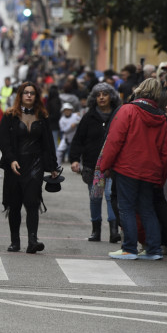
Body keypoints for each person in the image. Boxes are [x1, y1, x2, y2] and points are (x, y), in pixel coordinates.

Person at [95, 78, 167, 260]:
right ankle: (153, 249)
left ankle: (129, 248)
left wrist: (105, 165)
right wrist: (160, 176)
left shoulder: (128, 110)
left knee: (126, 207)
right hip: (151, 169)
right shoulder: (161, 117)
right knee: (147, 208)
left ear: (139, 90)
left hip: (127, 167)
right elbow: (165, 150)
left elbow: (115, 140)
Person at [0, 82, 59, 253]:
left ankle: (33, 240)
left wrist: (52, 166)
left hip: (36, 165)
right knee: (14, 204)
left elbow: (48, 143)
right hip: (15, 165)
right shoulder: (10, 115)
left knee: (32, 202)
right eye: (26, 93)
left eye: (32, 93)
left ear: (36, 96)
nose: (29, 96)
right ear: (20, 95)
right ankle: (15, 241)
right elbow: (4, 141)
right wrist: (11, 160)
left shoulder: (42, 116)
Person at [68, 83, 122, 243]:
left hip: (113, 165)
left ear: (111, 96)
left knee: (109, 195)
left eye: (105, 94)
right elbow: (78, 140)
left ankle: (114, 230)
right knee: (95, 197)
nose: (102, 97)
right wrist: (75, 159)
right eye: (98, 95)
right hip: (93, 165)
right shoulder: (88, 117)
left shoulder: (118, 115)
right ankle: (95, 230)